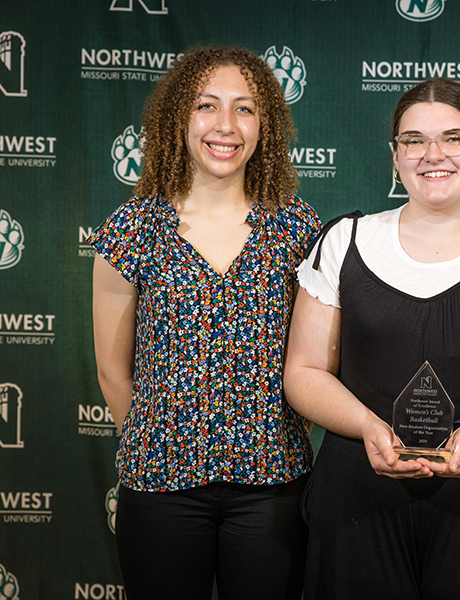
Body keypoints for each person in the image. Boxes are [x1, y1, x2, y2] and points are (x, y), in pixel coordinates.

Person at [283, 77, 460, 600]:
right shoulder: (345, 240)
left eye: (453, 138)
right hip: (357, 498)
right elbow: (304, 374)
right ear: (395, 157)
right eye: (414, 140)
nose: (432, 155)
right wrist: (368, 427)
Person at [90, 46, 320, 600]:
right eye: (207, 106)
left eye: (245, 109)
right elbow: (113, 373)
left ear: (265, 124)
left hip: (272, 484)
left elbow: (313, 362)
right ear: (178, 119)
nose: (225, 125)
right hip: (160, 486)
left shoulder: (296, 227)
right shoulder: (133, 227)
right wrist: (162, 444)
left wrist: (272, 437)